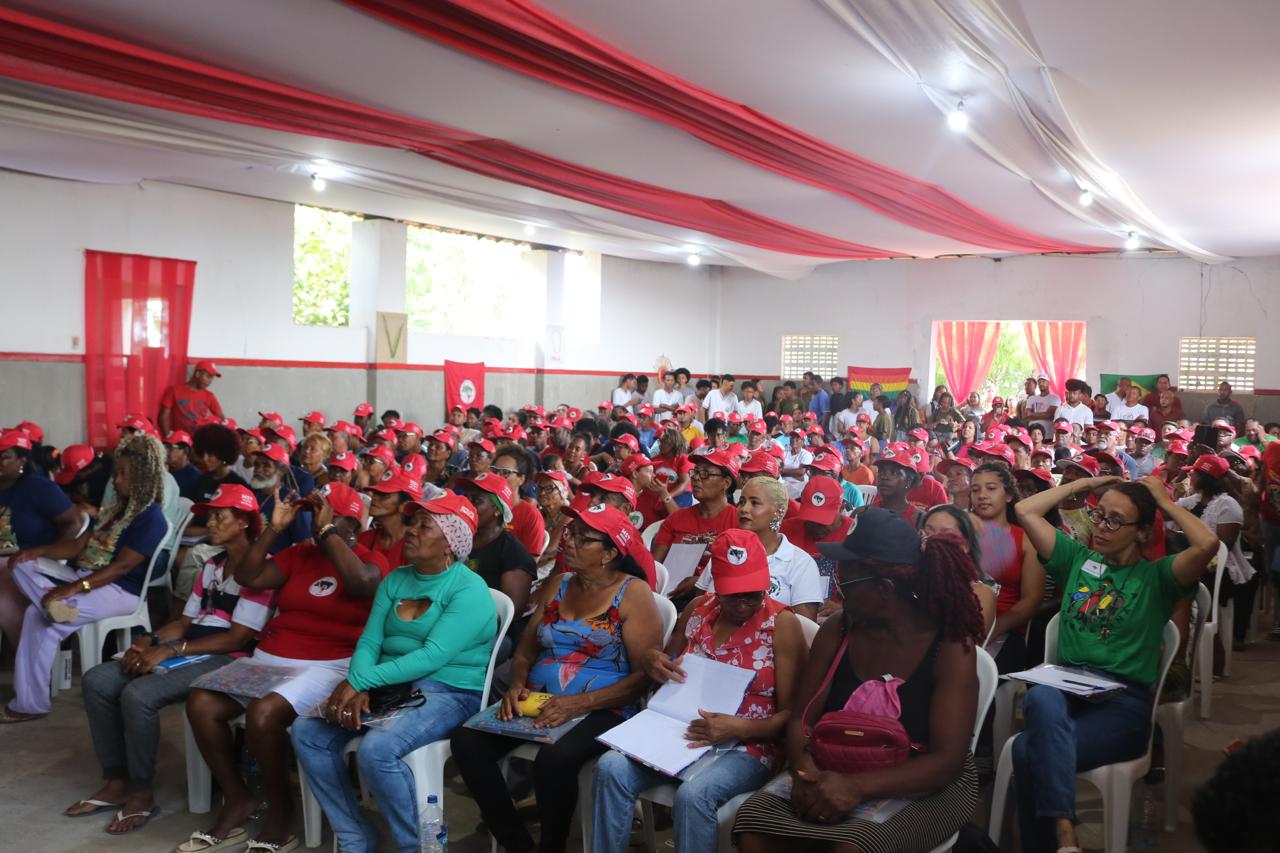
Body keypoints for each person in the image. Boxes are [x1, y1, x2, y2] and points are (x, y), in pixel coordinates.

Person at [733, 508, 983, 853]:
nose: (837, 590)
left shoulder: (950, 646)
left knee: (853, 847)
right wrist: (805, 773)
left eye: (844, 581)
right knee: (753, 827)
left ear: (885, 588)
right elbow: (801, 718)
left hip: (922, 780)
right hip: (831, 766)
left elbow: (947, 760)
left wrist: (857, 787)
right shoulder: (839, 629)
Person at [1011, 476, 1215, 853]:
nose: (1101, 528)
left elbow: (1207, 544)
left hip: (1122, 705)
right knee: (1041, 698)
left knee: (1026, 751)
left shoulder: (1158, 577)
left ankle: (1054, 839)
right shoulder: (1077, 559)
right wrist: (1091, 482)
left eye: (1116, 521)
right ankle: (1064, 836)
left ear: (1141, 533)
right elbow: (1025, 509)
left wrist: (1164, 502)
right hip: (1066, 688)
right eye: (1099, 516)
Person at [180, 484, 388, 852]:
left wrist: (328, 535)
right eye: (313, 515)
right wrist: (274, 529)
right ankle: (238, 797)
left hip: (329, 665)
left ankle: (280, 813)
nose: (314, 522)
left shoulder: (370, 559)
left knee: (263, 714)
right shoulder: (299, 554)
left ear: (350, 524)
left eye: (324, 514)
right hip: (272, 658)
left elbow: (359, 585)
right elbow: (248, 576)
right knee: (201, 701)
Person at [450, 504, 663, 853]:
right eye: (570, 532)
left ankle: (552, 845)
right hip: (541, 700)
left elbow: (642, 679)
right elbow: (525, 652)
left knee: (555, 759)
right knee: (467, 741)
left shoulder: (633, 593)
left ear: (609, 553)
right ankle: (516, 842)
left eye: (583, 537)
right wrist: (517, 684)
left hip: (606, 706)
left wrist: (578, 703)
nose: (569, 541)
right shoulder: (559, 584)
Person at [291, 494, 497, 853]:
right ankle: (356, 835)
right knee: (307, 732)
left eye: (423, 525)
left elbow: (431, 657)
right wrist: (360, 685)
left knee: (378, 751)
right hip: (392, 684)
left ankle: (413, 846)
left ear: (450, 542)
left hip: (449, 691)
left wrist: (359, 682)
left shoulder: (469, 589)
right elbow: (371, 640)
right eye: (412, 523)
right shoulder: (397, 579)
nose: (411, 531)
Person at [69, 485, 271, 833]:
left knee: (139, 694)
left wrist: (171, 651)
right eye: (211, 514)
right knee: (97, 680)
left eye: (220, 515)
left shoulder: (262, 570)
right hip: (190, 650)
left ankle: (142, 791)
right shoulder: (212, 564)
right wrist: (149, 641)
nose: (211, 521)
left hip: (230, 657)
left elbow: (237, 638)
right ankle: (117, 779)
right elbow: (184, 622)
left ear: (243, 522)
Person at [594, 529, 805, 853]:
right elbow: (665, 663)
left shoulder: (781, 624)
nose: (746, 605)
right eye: (734, 595)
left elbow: (792, 715)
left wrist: (741, 727)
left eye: (755, 594)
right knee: (611, 767)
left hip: (749, 743)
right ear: (716, 586)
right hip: (678, 730)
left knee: (694, 795)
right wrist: (654, 661)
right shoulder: (698, 609)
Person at [3, 434, 169, 722]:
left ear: (142, 476)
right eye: (116, 473)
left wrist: (72, 588)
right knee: (19, 564)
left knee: (36, 617)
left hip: (118, 591)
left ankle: (29, 704)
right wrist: (38, 551)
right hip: (84, 576)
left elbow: (122, 568)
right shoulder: (116, 512)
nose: (115, 480)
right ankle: (52, 605)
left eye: (122, 474)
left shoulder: (151, 518)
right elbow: (78, 546)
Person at [695, 476, 822, 620]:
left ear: (778, 512)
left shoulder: (800, 563)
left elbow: (804, 629)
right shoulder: (727, 550)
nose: (744, 509)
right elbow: (698, 609)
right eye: (742, 502)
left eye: (754, 503)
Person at [0, 429, 82, 651]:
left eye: (4, 456)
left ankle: (31, 655)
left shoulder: (39, 488)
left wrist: (50, 553)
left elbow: (73, 522)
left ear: (22, 461)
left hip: (25, 563)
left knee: (4, 596)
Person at [969, 463, 1045, 672]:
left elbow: (1032, 599)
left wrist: (993, 629)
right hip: (958, 624)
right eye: (975, 490)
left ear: (1009, 495)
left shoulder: (1027, 539)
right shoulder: (960, 533)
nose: (982, 495)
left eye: (991, 488)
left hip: (1004, 629)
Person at [459, 472, 537, 650]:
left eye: (476, 501)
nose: (467, 505)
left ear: (497, 510)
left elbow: (508, 614)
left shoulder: (513, 553)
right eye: (466, 498)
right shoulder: (458, 539)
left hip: (487, 635)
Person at [655, 450, 740, 600]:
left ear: (726, 483)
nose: (695, 478)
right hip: (668, 595)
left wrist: (702, 583)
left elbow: (740, 573)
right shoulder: (676, 519)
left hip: (717, 599)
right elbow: (654, 567)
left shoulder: (739, 522)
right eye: (695, 472)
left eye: (706, 473)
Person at [921, 505, 998, 635]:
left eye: (945, 534)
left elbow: (968, 645)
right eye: (927, 533)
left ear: (965, 546)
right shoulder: (912, 581)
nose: (933, 540)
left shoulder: (981, 593)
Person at [493, 448, 546, 559]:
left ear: (521, 479)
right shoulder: (483, 506)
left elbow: (529, 563)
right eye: (494, 471)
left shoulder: (531, 516)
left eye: (505, 472)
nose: (497, 476)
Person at [158, 360, 224, 435]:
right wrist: (169, 437)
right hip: (181, 442)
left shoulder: (209, 395)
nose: (209, 381)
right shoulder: (174, 390)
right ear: (198, 374)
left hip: (200, 441)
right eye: (208, 376)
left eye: (211, 378)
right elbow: (163, 416)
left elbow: (222, 419)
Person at [163, 431, 202, 499]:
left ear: (185, 451)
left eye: (170, 447)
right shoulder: (164, 470)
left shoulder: (195, 477)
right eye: (166, 447)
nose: (166, 451)